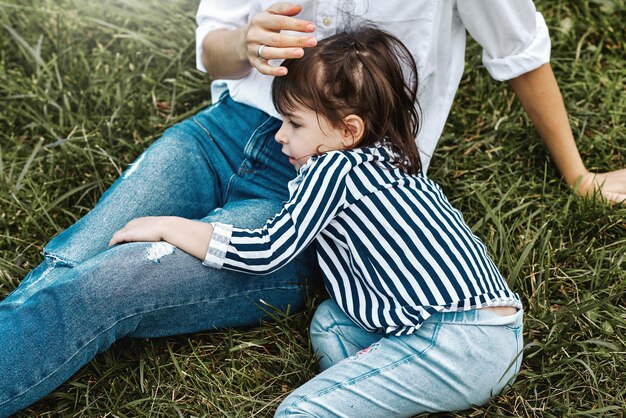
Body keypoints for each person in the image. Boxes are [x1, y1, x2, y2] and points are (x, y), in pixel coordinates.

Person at [0, 0, 623, 415]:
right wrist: (244, 43)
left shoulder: (346, 174)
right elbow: (211, 46)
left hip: (301, 200)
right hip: (222, 130)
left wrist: (579, 174)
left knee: (113, 280)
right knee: (71, 260)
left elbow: (521, 48)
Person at [109, 26, 525, 415]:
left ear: (349, 130)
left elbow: (265, 251)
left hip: (455, 340)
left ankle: (358, 396)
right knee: (331, 323)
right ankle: (376, 393)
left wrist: (170, 226)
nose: (279, 135)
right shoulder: (395, 163)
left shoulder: (331, 169)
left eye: (294, 123)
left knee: (299, 411)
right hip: (497, 329)